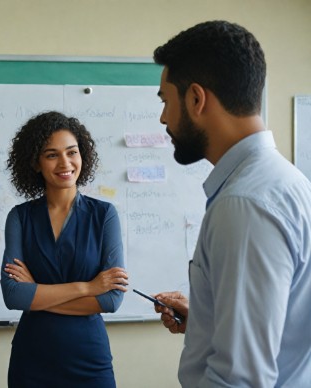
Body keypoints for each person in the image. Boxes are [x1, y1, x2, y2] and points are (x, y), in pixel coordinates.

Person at [152, 20, 311, 387]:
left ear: (196, 98)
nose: (163, 118)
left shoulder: (244, 205)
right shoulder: (286, 182)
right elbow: (288, 330)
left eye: (166, 101)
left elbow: (240, 379)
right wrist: (208, 321)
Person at [0, 111, 128, 387]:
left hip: (89, 359)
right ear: (35, 163)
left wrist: (38, 291)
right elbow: (14, 295)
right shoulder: (20, 217)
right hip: (32, 359)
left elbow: (111, 300)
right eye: (51, 155)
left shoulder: (104, 214)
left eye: (72, 152)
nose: (65, 163)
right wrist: (88, 287)